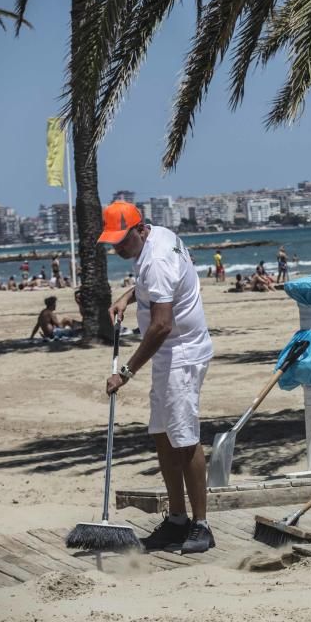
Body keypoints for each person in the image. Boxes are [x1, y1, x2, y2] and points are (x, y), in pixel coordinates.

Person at [100, 201, 215, 554]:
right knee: (163, 435)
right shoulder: (158, 239)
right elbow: (151, 284)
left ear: (140, 229)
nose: (117, 247)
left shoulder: (158, 259)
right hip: (170, 354)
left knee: (184, 437)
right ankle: (177, 519)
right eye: (113, 242)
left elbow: (162, 325)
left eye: (122, 240)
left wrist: (126, 372)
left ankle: (201, 525)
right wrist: (128, 296)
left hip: (182, 352)